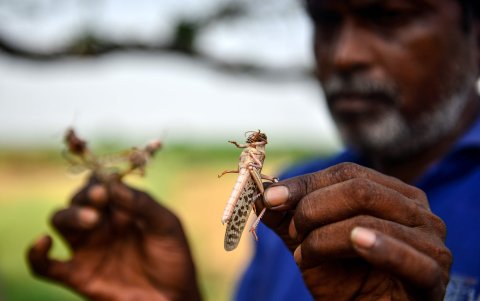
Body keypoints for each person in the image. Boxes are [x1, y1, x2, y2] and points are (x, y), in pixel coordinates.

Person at [27, 0, 479, 300]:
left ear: (474, 34)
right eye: (324, 20)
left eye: (387, 15)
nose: (344, 54)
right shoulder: (294, 202)